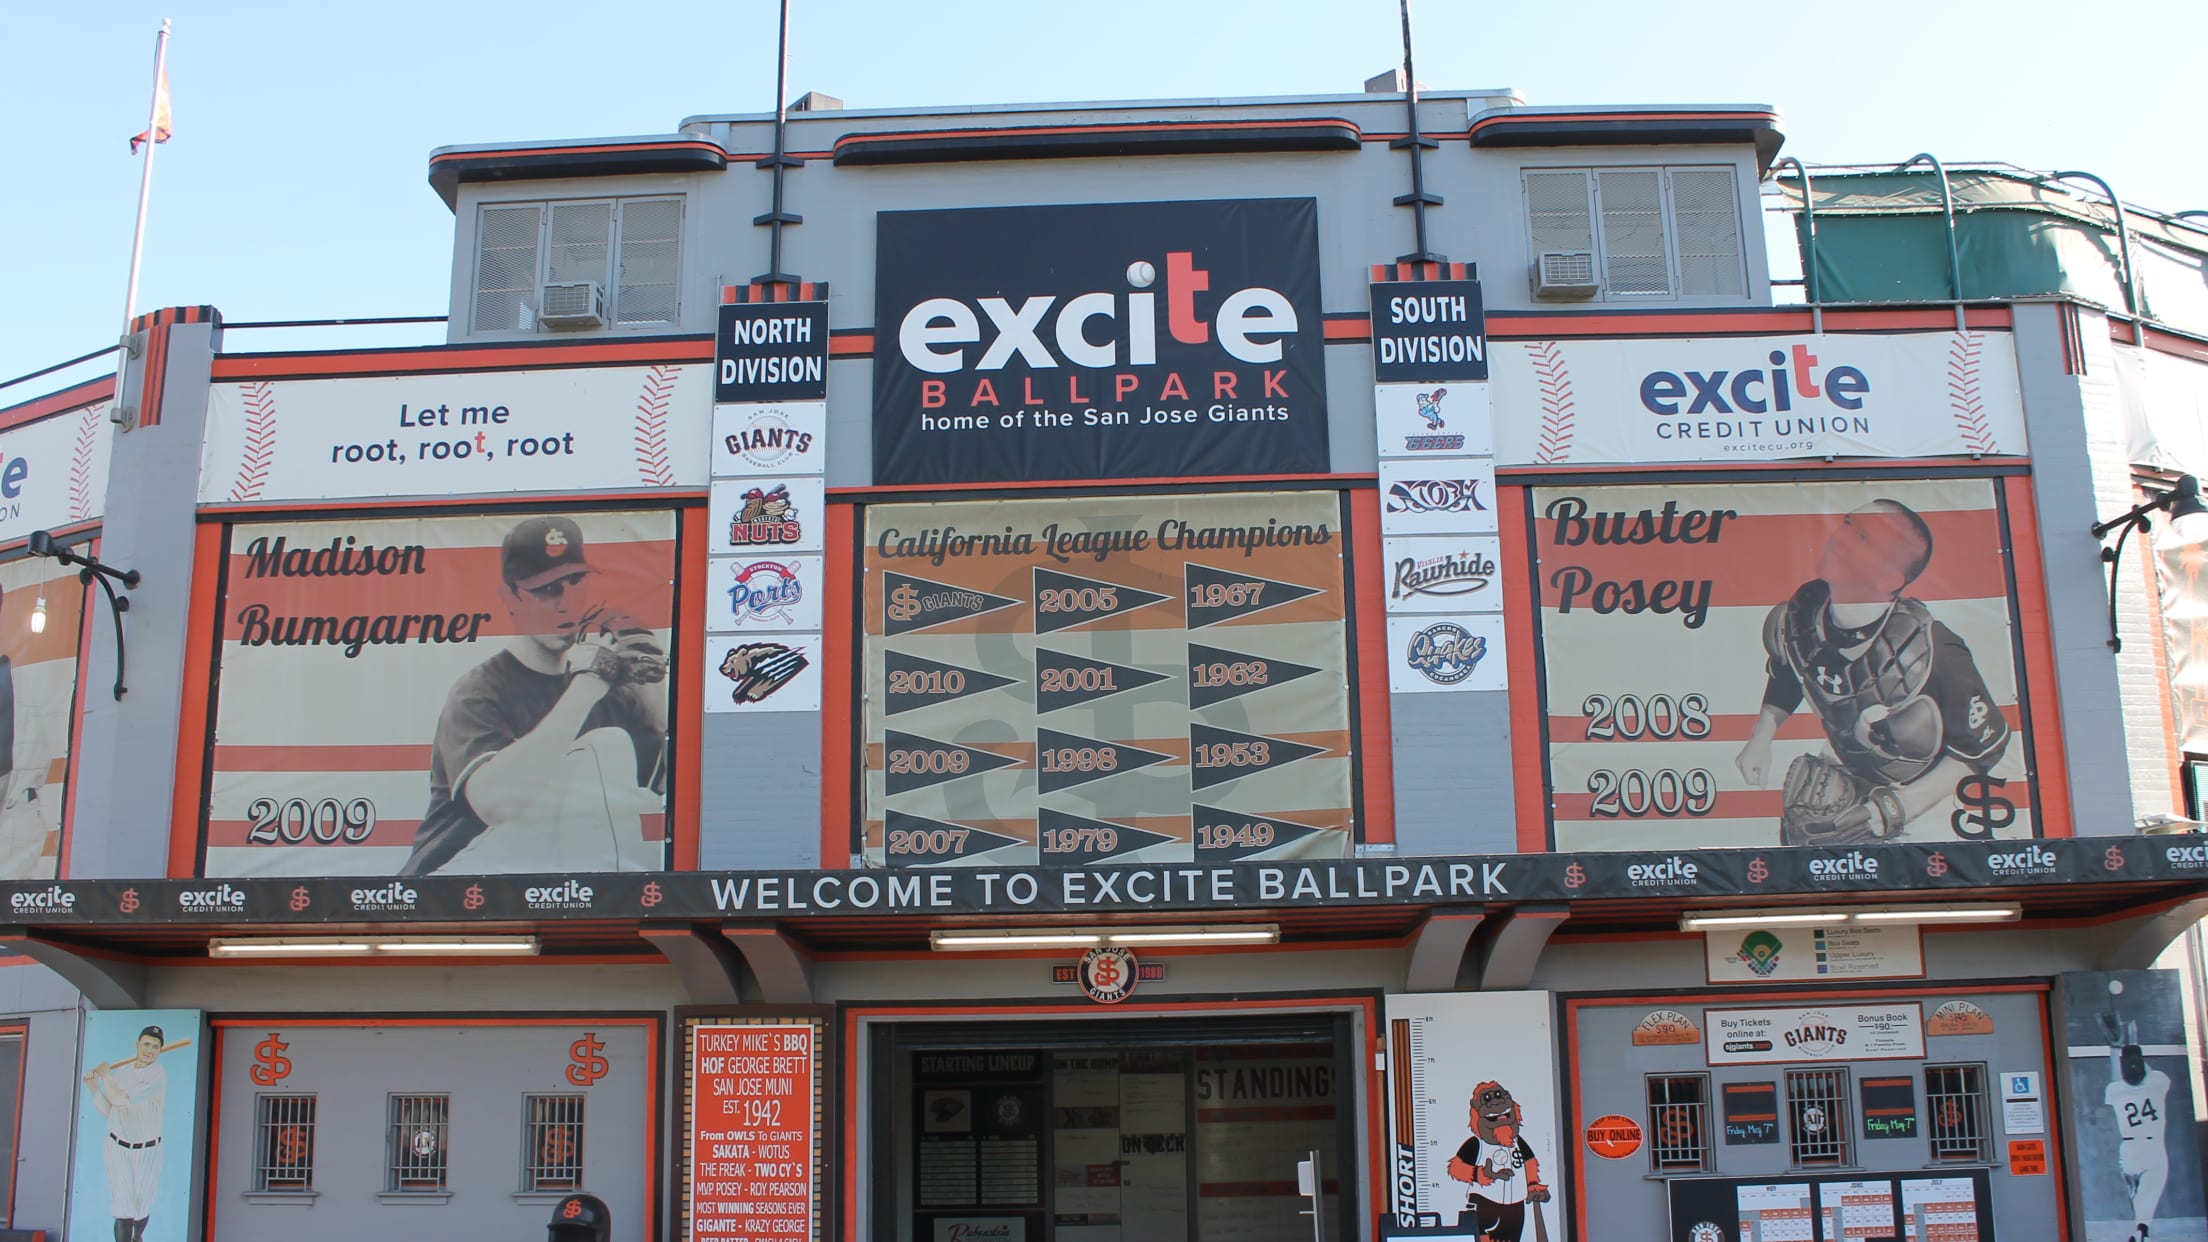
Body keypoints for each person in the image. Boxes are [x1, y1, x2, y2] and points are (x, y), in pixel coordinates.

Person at [400, 516, 668, 875]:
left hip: (562, 890)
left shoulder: (614, 693)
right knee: (605, 744)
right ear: (509, 598)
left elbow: (664, 797)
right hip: (444, 894)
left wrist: (654, 689)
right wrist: (587, 686)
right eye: (546, 589)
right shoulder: (477, 691)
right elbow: (497, 805)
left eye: (576, 583)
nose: (566, 603)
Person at [1735, 499, 2011, 844]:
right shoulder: (1801, 613)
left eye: (1862, 537)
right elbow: (1790, 670)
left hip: (1918, 805)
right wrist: (1761, 738)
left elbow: (1983, 748)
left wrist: (1900, 806)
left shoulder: (1932, 649)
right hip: (1847, 773)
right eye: (1848, 523)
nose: (1840, 538)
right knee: (1805, 817)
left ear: (1890, 579)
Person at [83, 1025, 167, 1242]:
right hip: (117, 1145)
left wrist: (106, 1077)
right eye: (146, 1044)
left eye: (155, 1046)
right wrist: (94, 1088)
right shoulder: (123, 1072)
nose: (150, 1050)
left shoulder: (157, 1074)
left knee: (142, 1204)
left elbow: (122, 1099)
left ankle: (137, 1237)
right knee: (123, 1205)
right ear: (137, 1045)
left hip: (147, 1148)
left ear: (159, 1051)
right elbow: (109, 1110)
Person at [1446, 1081, 1548, 1242]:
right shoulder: (1476, 1144)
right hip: (1484, 1205)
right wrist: (1481, 1174)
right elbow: (1456, 1168)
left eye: (1500, 1096)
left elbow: (1529, 1162)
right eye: (1487, 1099)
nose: (1497, 1103)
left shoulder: (1517, 1142)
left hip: (1515, 1208)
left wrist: (1533, 1185)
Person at [2102, 1014, 2172, 1242]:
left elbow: (2116, 1078)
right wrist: (2133, 1043)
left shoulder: (2116, 1090)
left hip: (2130, 1149)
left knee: (2137, 1192)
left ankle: (2141, 1232)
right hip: (2154, 1147)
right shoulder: (2157, 1082)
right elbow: (2146, 1071)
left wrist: (2116, 1048)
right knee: (2148, 1193)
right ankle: (2142, 1229)